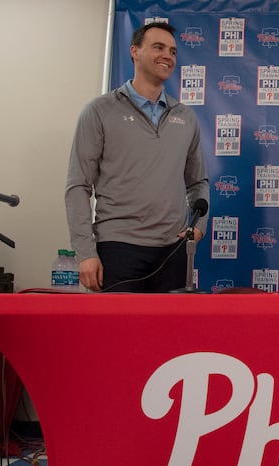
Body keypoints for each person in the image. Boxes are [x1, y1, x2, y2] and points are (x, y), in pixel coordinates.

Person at [65, 22, 209, 293]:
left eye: (173, 51)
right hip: (117, 248)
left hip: (173, 250)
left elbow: (198, 182)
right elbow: (78, 186)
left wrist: (198, 226)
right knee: (116, 335)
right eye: (158, 47)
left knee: (169, 336)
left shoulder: (186, 117)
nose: (168, 55)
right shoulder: (99, 111)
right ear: (134, 52)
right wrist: (85, 252)